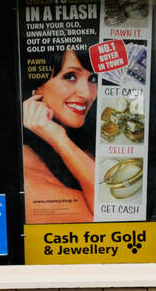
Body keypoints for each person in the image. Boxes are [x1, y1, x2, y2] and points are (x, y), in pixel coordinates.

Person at [22, 49, 99, 223]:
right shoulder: (26, 173)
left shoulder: (84, 149)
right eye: (71, 76)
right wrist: (58, 137)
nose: (87, 94)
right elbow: (112, 211)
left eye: (93, 79)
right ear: (38, 85)